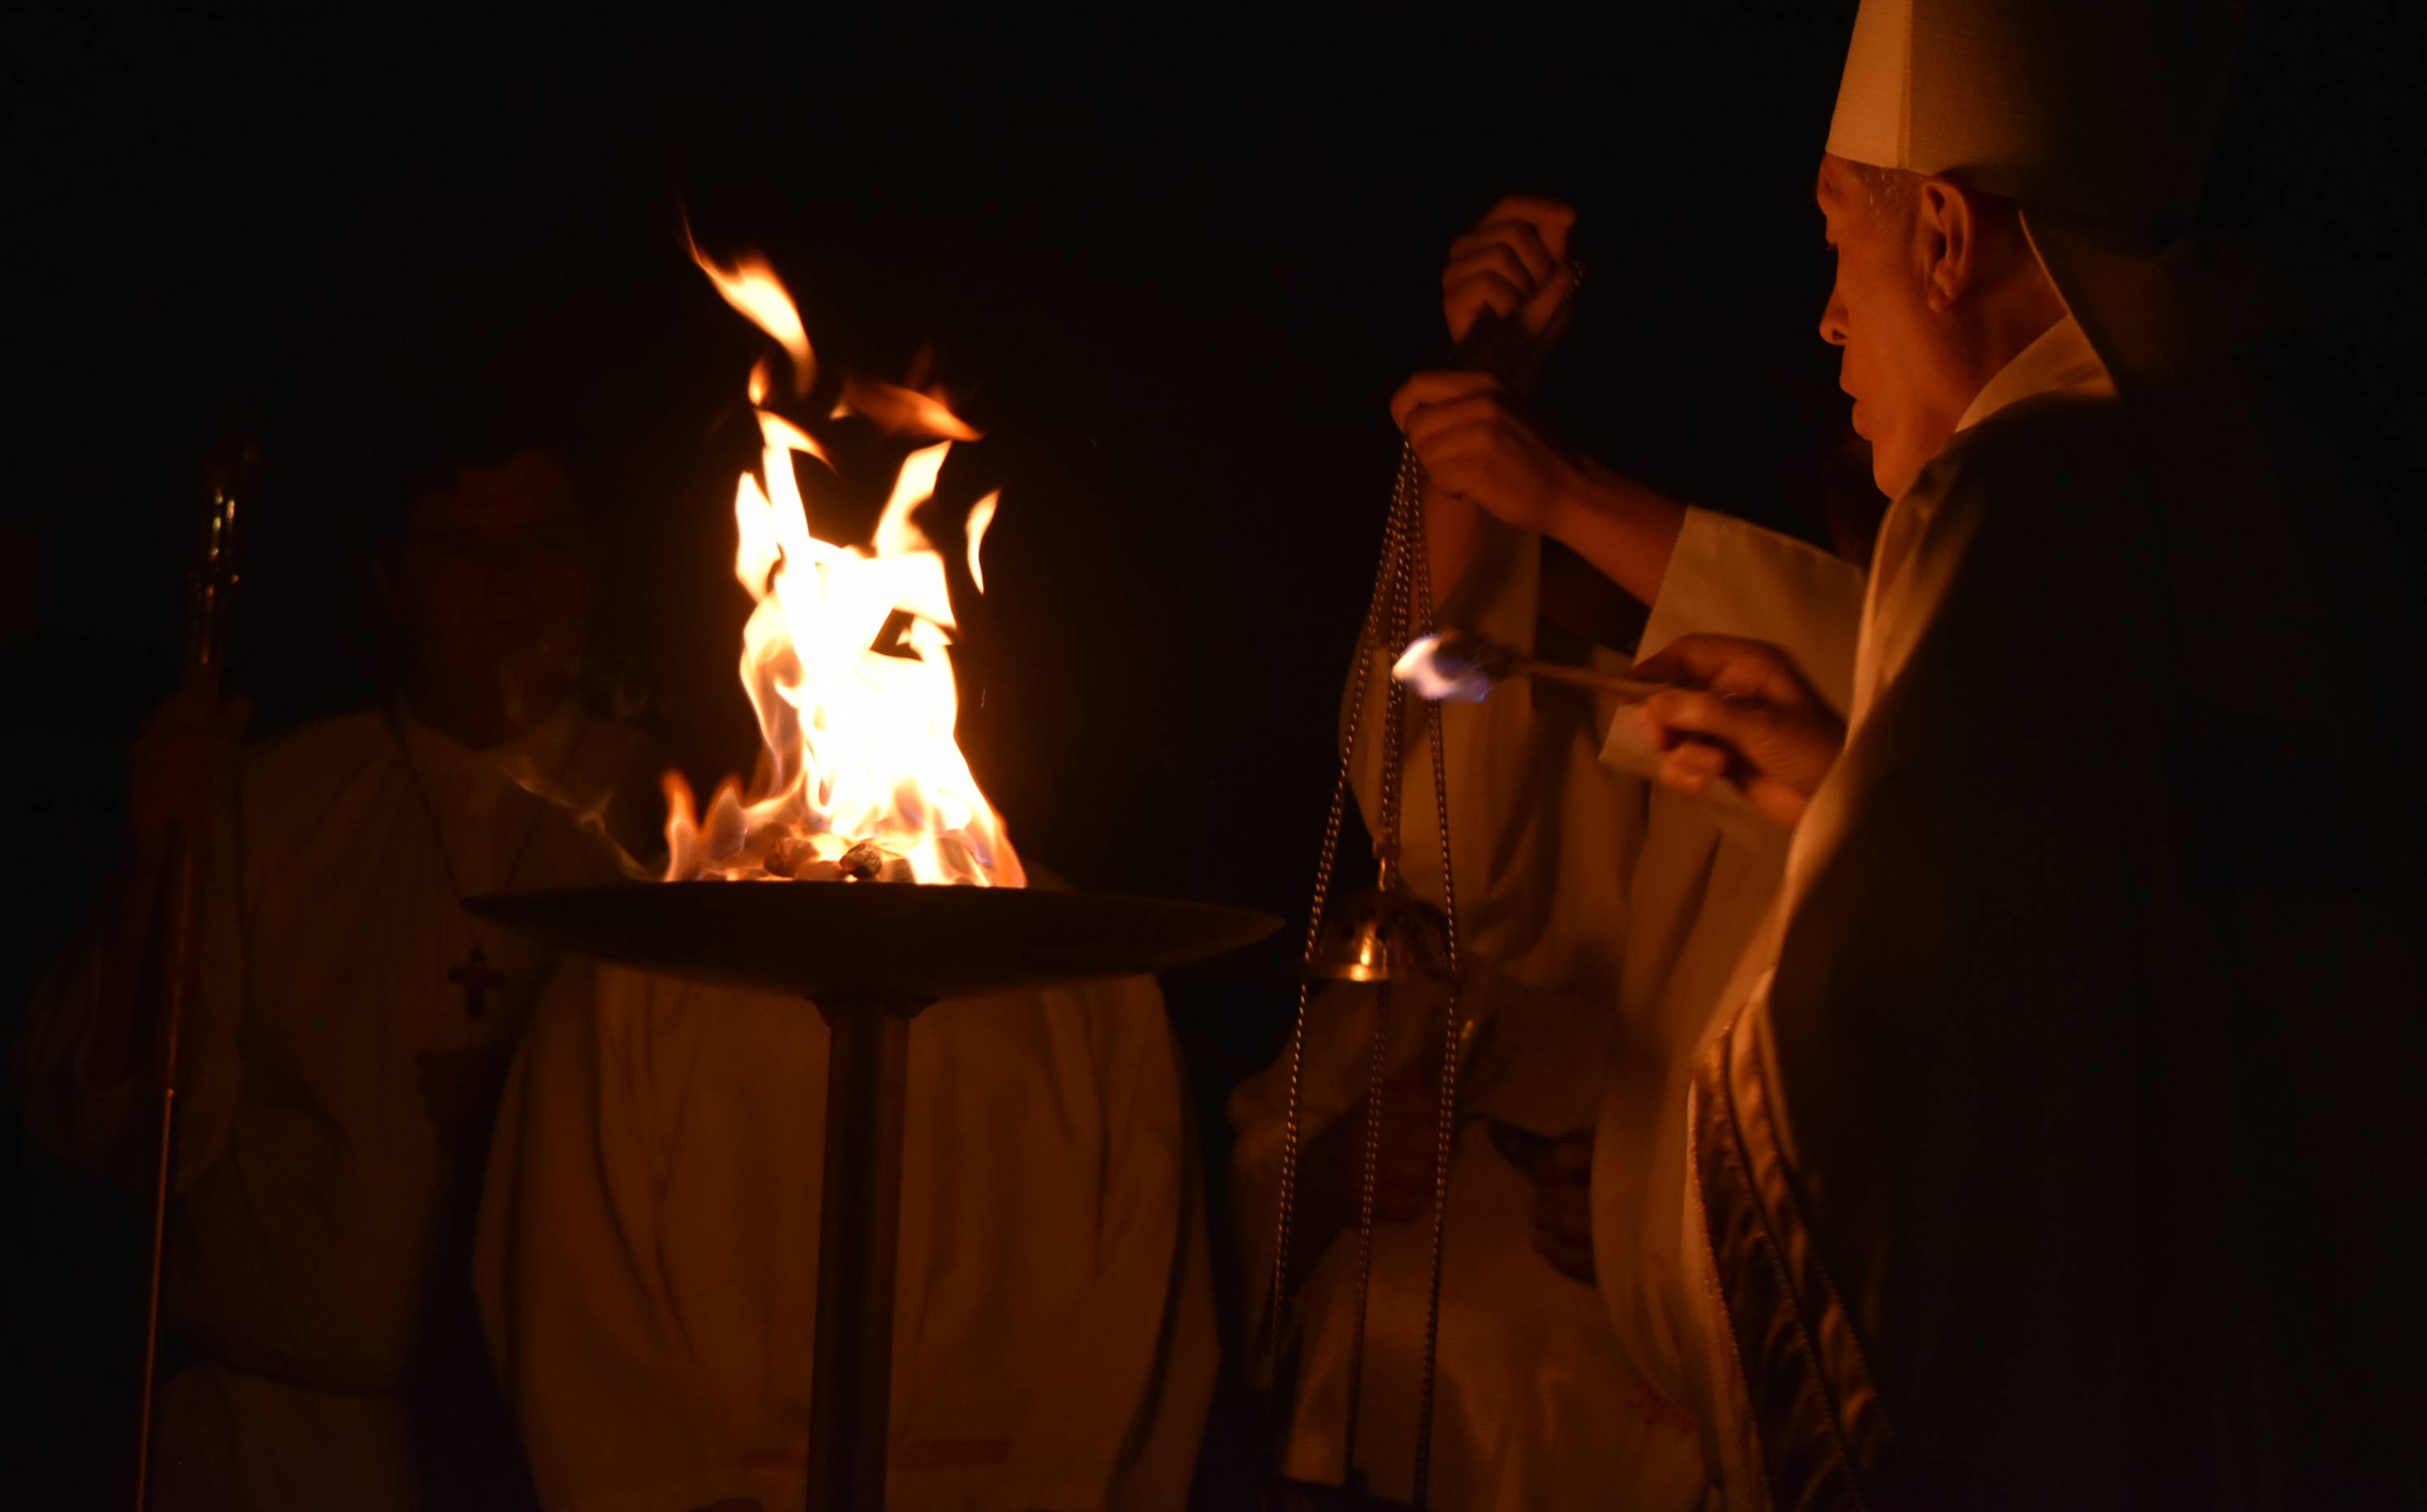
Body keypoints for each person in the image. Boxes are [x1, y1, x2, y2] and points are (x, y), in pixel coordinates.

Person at [1614, 0, 2427, 1503]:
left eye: (1837, 236)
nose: (1825, 315)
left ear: (1940, 231)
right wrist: (1850, 792)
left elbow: (1883, 1110)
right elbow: (2174, 947)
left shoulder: (2008, 498)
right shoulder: (2290, 473)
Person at [1230, 198, 1866, 1510]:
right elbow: (1441, 802)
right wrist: (1477, 413)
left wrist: (1658, 1204)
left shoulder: (1921, 713)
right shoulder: (1628, 710)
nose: (1838, 321)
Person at [16, 406, 654, 1511]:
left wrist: (528, 1105)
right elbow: (120, 1131)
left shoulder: (686, 829)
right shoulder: (267, 807)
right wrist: (152, 878)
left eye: (542, 545)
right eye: (460, 548)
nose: (508, 584)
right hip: (282, 1450)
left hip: (566, 1461)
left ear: (595, 570)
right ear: (391, 583)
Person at [475, 951, 1217, 1512]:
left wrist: (1059, 1486)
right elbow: (577, 1280)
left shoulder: (1089, 967)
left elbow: (1145, 1284)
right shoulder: (632, 965)